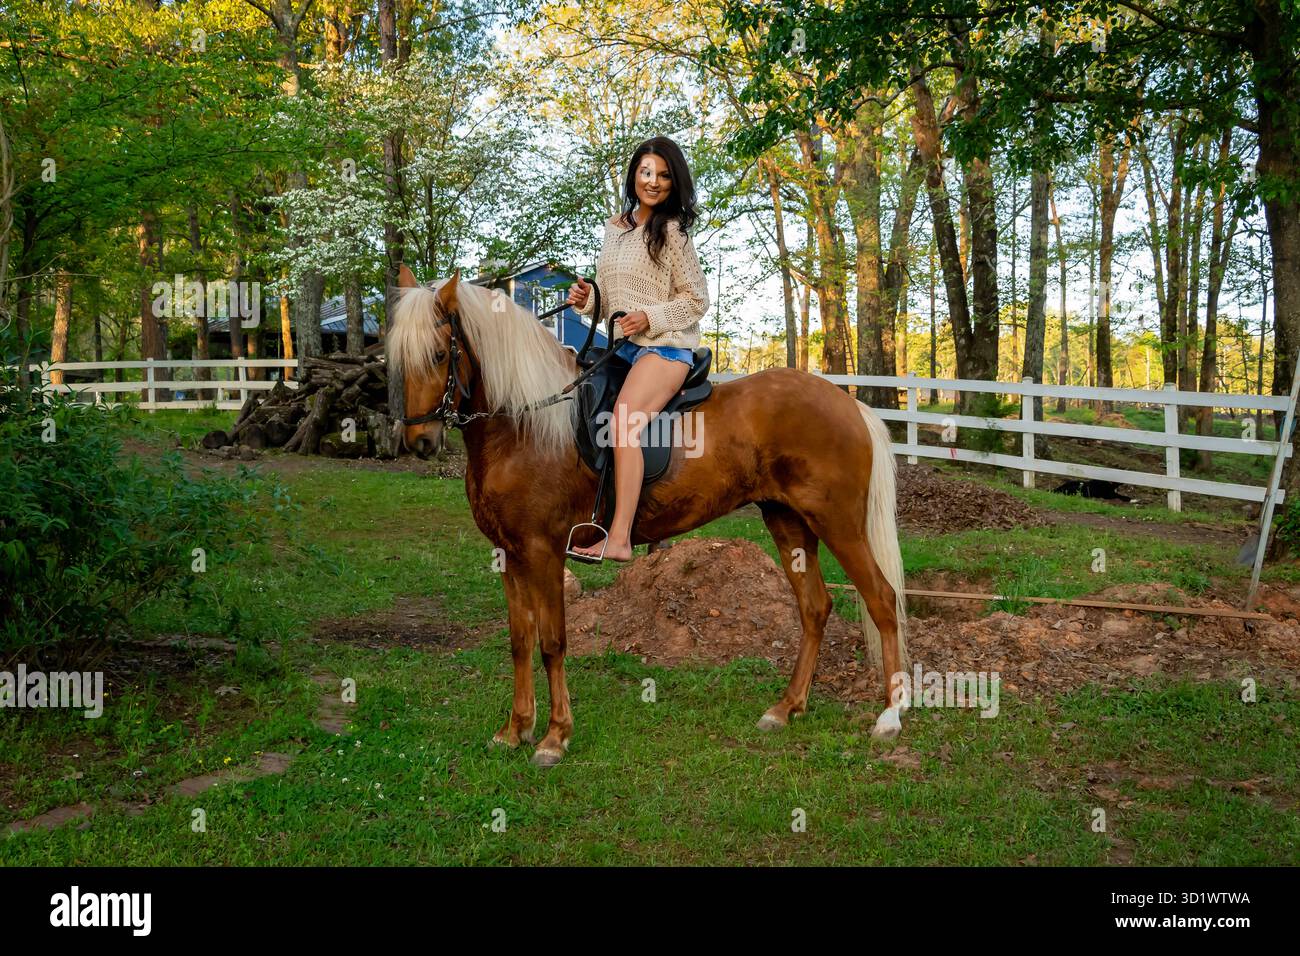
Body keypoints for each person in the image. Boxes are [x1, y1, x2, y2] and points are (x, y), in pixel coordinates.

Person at [566, 136, 710, 561]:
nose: (653, 181)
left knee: (624, 424)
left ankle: (620, 539)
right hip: (623, 349)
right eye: (646, 172)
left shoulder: (673, 233)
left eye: (663, 175)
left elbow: (697, 299)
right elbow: (608, 300)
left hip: (665, 348)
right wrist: (586, 300)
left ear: (673, 183)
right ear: (634, 175)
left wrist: (649, 317)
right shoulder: (615, 229)